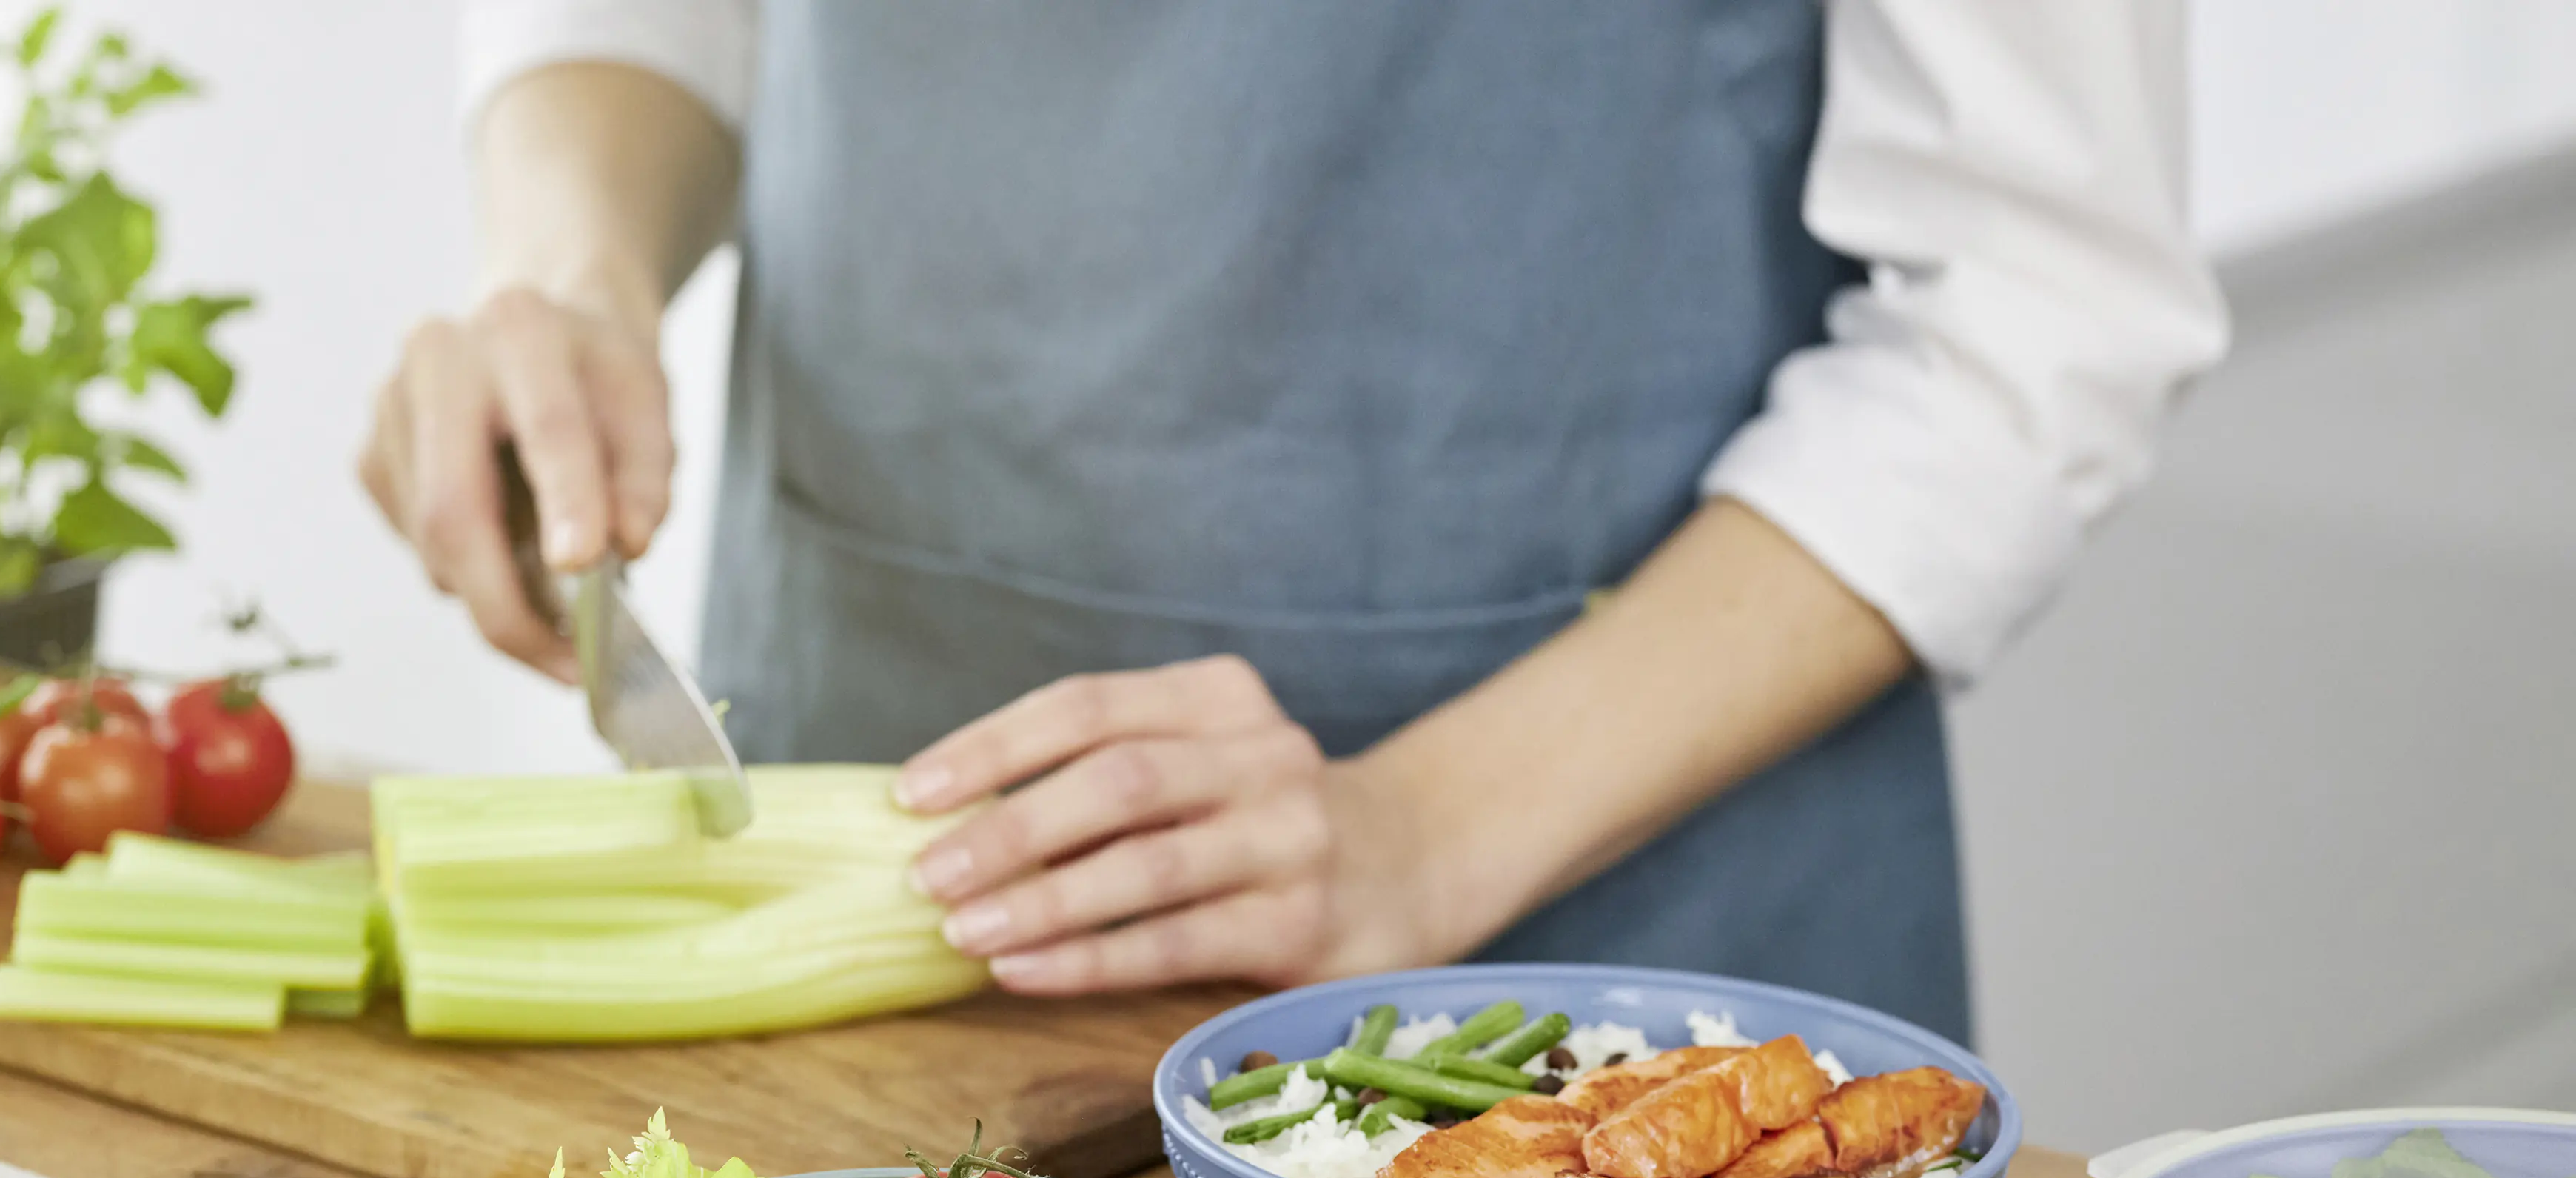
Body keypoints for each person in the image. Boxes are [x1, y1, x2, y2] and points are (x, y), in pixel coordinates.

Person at [363, 1, 2224, 1040]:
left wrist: (1419, 825)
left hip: (1605, 954)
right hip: (855, 848)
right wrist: (573, 267)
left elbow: (2034, 300)